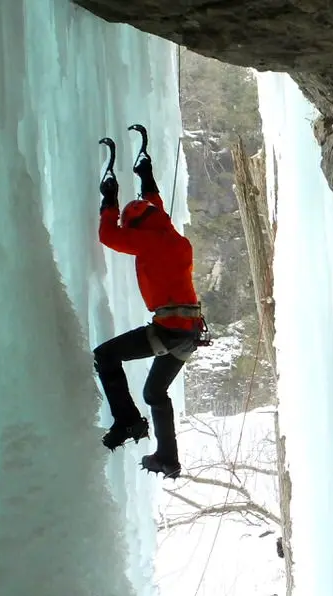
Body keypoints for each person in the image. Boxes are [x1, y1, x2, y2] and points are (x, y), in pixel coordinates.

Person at [93, 125, 203, 478]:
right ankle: (166, 457)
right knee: (155, 392)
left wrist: (108, 201)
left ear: (137, 227)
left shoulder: (150, 242)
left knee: (105, 356)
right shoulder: (172, 237)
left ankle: (127, 421)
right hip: (188, 333)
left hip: (169, 330)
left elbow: (108, 236)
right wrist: (147, 176)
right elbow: (156, 211)